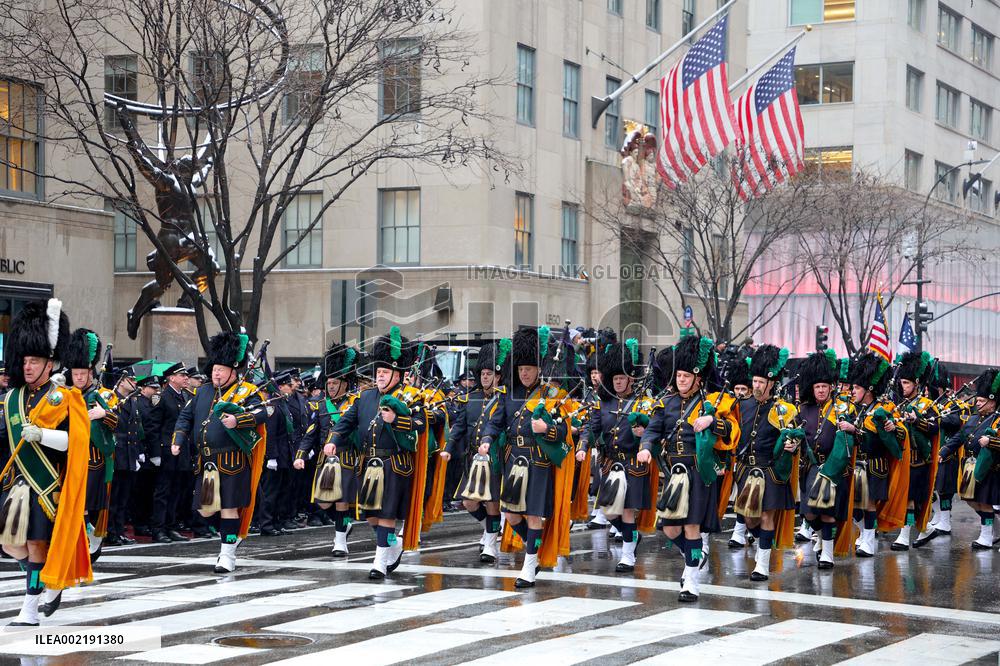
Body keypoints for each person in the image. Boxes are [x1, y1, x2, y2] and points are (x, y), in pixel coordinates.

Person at [0, 299, 92, 626]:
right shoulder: (12, 399)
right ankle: (49, 576)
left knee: (36, 544)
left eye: (34, 360)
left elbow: (76, 443)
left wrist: (42, 435)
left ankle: (29, 608)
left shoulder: (66, 398)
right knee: (10, 545)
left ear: (49, 364)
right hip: (16, 485)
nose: (27, 366)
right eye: (24, 360)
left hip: (46, 484)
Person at [639, 335, 738, 601]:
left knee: (692, 527)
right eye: (678, 375)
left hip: (698, 472)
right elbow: (652, 428)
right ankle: (695, 557)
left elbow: (732, 431)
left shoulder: (714, 402)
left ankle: (691, 579)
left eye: (685, 375)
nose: (681, 380)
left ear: (698, 377)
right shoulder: (666, 403)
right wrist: (646, 447)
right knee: (670, 530)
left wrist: (712, 422)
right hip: (673, 474)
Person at [481, 326, 574, 588]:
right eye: (521, 368)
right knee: (510, 515)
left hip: (538, 460)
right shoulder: (506, 394)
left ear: (539, 369)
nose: (524, 373)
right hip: (513, 459)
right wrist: (487, 440)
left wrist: (548, 429)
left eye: (529, 368)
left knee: (534, 516)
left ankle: (530, 564)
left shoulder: (551, 395)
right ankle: (536, 545)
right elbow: (494, 423)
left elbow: (565, 431)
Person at [326, 327, 421, 579]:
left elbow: (420, 423)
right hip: (368, 462)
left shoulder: (409, 396)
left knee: (386, 514)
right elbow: (345, 422)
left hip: (394, 462)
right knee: (370, 515)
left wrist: (397, 419)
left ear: (398, 374)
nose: (379, 377)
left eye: (385, 372)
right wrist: (334, 439)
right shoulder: (365, 398)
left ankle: (379, 561)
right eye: (378, 372)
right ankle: (392, 545)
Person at [171, 331, 268, 573]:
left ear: (233, 372)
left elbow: (263, 413)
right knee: (205, 509)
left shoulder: (246, 391)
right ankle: (231, 534)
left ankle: (227, 554)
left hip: (233, 461)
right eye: (214, 368)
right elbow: (185, 416)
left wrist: (239, 420)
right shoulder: (202, 392)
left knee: (229, 508)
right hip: (207, 461)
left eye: (221, 369)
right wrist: (179, 439)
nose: (216, 372)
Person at [732, 344, 798, 582]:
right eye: (755, 381)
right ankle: (763, 543)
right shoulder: (743, 404)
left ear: (772, 383)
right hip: (746, 470)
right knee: (750, 519)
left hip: (770, 469)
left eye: (761, 382)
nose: (756, 386)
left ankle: (762, 563)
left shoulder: (784, 409)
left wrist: (792, 445)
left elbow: (793, 436)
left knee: (767, 516)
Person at [442, 339, 509, 564]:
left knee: (491, 502)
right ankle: (491, 530)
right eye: (482, 373)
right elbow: (459, 426)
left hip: (495, 458)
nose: (484, 377)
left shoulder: (504, 399)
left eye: (489, 374)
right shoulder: (471, 398)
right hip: (472, 458)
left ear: (498, 376)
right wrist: (449, 449)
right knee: (469, 502)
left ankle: (490, 543)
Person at [839, 351, 910, 558]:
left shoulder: (885, 407)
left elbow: (900, 432)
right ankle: (864, 533)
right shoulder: (856, 409)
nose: (853, 391)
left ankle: (869, 541)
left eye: (857, 387)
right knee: (855, 504)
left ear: (869, 389)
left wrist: (890, 427)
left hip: (875, 464)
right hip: (856, 464)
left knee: (868, 503)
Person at [295, 344, 360, 555]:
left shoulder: (355, 403)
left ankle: (340, 541)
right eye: (329, 383)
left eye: (334, 383)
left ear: (345, 383)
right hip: (326, 459)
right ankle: (344, 524)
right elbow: (311, 433)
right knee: (324, 502)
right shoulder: (321, 406)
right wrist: (301, 455)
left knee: (342, 501)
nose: (330, 387)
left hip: (348, 457)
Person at [64, 329, 118, 563]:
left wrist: (103, 413)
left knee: (91, 506)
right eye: (75, 374)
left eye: (82, 373)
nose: (78, 378)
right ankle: (79, 545)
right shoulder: (65, 395)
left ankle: (92, 537)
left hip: (95, 459)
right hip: (69, 457)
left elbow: (117, 422)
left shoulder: (103, 395)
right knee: (76, 505)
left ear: (90, 373)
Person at [797, 350, 853, 569]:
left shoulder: (841, 408)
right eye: (817, 386)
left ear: (831, 387)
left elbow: (854, 437)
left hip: (834, 467)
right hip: (810, 467)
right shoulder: (804, 409)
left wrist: (852, 428)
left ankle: (827, 554)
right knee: (809, 512)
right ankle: (820, 536)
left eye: (824, 386)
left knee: (828, 513)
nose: (821, 390)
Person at [938, 368, 1000, 550]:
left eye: (981, 401)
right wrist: (945, 450)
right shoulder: (974, 418)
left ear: (992, 401)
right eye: (978, 400)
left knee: (985, 502)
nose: (977, 403)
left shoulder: (997, 420)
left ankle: (986, 537)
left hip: (989, 467)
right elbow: (960, 436)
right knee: (970, 499)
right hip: (969, 466)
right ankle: (994, 527)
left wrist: (991, 441)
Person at [892, 351, 940, 551]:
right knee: (905, 498)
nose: (903, 387)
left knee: (909, 499)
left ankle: (904, 536)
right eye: (902, 382)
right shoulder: (899, 405)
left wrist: (917, 420)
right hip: (901, 459)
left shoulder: (928, 405)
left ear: (917, 383)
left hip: (919, 461)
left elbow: (935, 428)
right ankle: (927, 529)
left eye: (907, 383)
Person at [151, 363, 192, 543]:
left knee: (176, 490)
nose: (185, 378)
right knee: (163, 491)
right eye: (181, 375)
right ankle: (158, 529)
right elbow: (153, 426)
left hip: (180, 450)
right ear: (171, 378)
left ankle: (171, 526)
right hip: (166, 450)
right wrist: (155, 453)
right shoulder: (162, 397)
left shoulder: (183, 397)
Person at [257, 370, 296, 536]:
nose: (291, 387)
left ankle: (277, 522)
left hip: (284, 455)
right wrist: (271, 457)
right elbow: (270, 433)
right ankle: (266, 524)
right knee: (270, 492)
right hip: (275, 456)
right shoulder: (273, 405)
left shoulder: (282, 403)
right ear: (280, 387)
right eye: (288, 385)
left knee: (282, 491)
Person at [107, 370, 141, 546]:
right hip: (116, 453)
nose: (134, 382)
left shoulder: (132, 401)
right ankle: (110, 532)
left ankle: (119, 531)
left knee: (123, 498)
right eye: (131, 379)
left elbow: (135, 429)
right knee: (113, 497)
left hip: (128, 455)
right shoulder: (111, 399)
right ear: (120, 381)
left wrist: (138, 453)